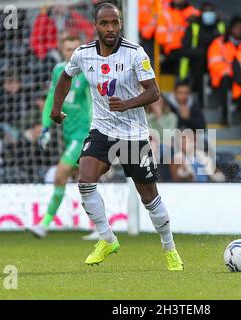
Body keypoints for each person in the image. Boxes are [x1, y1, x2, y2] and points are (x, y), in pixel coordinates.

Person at [50, 3, 183, 271]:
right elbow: (65, 76)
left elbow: (154, 92)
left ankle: (170, 248)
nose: (111, 28)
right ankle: (107, 239)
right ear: (95, 26)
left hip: (133, 135)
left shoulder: (135, 53)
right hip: (102, 130)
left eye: (115, 23)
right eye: (105, 23)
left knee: (149, 198)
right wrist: (56, 108)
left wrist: (128, 103)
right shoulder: (83, 54)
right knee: (85, 181)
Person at [27, 35, 93, 238]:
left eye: (75, 48)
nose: (71, 53)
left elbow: (92, 103)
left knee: (60, 174)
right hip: (68, 132)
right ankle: (101, 228)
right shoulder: (58, 70)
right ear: (61, 51)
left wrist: (94, 131)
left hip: (83, 134)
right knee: (84, 182)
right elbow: (51, 98)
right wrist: (46, 127)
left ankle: (44, 224)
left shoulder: (88, 72)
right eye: (67, 49)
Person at [178, 2, 225, 108]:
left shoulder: (220, 26)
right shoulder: (194, 26)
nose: (208, 14)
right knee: (198, 62)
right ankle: (200, 101)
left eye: (211, 11)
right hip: (198, 62)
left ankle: (219, 101)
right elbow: (185, 49)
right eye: (206, 11)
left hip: (215, 63)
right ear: (201, 13)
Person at [208, 15, 241, 124]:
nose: (238, 30)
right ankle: (225, 114)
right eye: (236, 27)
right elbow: (214, 63)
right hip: (223, 77)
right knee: (226, 81)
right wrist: (232, 72)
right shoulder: (219, 43)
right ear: (230, 28)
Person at [155, 0, 200, 74]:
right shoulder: (165, 13)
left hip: (188, 49)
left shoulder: (193, 13)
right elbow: (160, 35)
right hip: (169, 51)